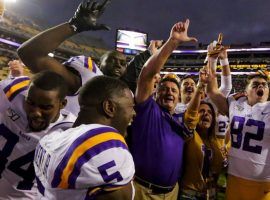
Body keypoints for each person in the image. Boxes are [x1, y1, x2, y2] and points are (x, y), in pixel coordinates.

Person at [18, 0, 161, 115]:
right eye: (113, 60)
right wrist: (74, 25)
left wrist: (149, 53)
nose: (118, 65)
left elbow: (134, 73)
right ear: (100, 62)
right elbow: (30, 54)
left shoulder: (126, 94)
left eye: (123, 63)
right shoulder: (86, 76)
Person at [34, 76, 136, 200]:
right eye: (131, 106)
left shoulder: (51, 137)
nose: (134, 113)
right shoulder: (104, 146)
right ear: (109, 107)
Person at [130, 19, 197, 200]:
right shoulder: (147, 109)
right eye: (164, 89)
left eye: (174, 90)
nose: (169, 92)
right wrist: (173, 42)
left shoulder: (180, 118)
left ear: (179, 97)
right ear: (155, 93)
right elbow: (146, 74)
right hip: (143, 191)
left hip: (172, 192)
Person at [0, 71, 76, 199]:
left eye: (45, 107)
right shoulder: (12, 93)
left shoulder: (70, 132)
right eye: (30, 102)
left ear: (62, 104)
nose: (36, 113)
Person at [206, 50, 270, 200]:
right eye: (255, 84)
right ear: (246, 91)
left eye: (264, 84)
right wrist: (215, 59)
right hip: (235, 178)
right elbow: (212, 91)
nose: (260, 86)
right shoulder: (236, 104)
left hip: (264, 183)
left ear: (268, 91)